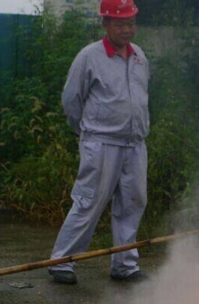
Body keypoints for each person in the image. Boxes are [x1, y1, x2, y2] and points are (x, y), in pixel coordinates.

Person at [48, 0, 150, 284]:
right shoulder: (89, 57)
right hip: (101, 142)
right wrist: (87, 133)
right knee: (89, 201)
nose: (127, 29)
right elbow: (71, 100)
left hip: (136, 143)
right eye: (121, 24)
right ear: (105, 24)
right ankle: (62, 261)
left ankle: (125, 265)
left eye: (131, 23)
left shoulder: (139, 56)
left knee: (133, 202)